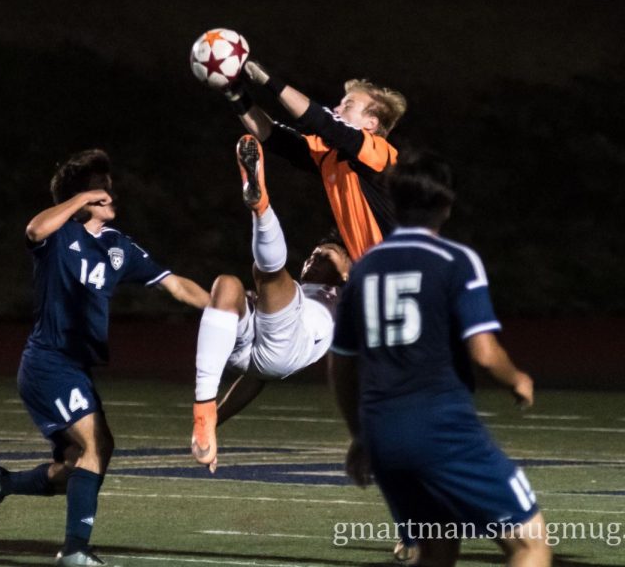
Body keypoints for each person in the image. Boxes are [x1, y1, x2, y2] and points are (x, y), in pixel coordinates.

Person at [0, 149, 210, 567]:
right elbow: (34, 228)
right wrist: (78, 200)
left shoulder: (117, 245)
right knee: (95, 444)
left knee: (84, 460)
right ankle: (74, 552)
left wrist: (225, 312)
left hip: (72, 367)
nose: (111, 195)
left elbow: (174, 285)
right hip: (47, 362)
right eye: (102, 189)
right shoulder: (59, 236)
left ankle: (4, 482)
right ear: (83, 197)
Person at [329, 153, 552, 566]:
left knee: (436, 549)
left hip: (383, 434)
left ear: (392, 204)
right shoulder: (455, 260)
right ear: (447, 206)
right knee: (530, 544)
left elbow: (342, 364)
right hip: (442, 430)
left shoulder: (363, 270)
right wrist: (516, 378)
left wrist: (361, 435)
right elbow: (484, 353)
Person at [191, 135, 352, 471]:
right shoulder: (297, 292)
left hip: (292, 342)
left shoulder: (347, 296)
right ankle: (202, 408)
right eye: (313, 255)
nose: (314, 258)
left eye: (328, 257)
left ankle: (261, 209)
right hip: (251, 356)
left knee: (268, 273)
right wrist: (215, 423)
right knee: (228, 286)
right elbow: (256, 378)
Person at [221, 60, 407, 261]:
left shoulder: (381, 153)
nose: (336, 108)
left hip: (406, 267)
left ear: (371, 123)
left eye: (348, 105)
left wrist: (269, 81)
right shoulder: (330, 155)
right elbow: (274, 136)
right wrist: (236, 94)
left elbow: (323, 121)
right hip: (374, 272)